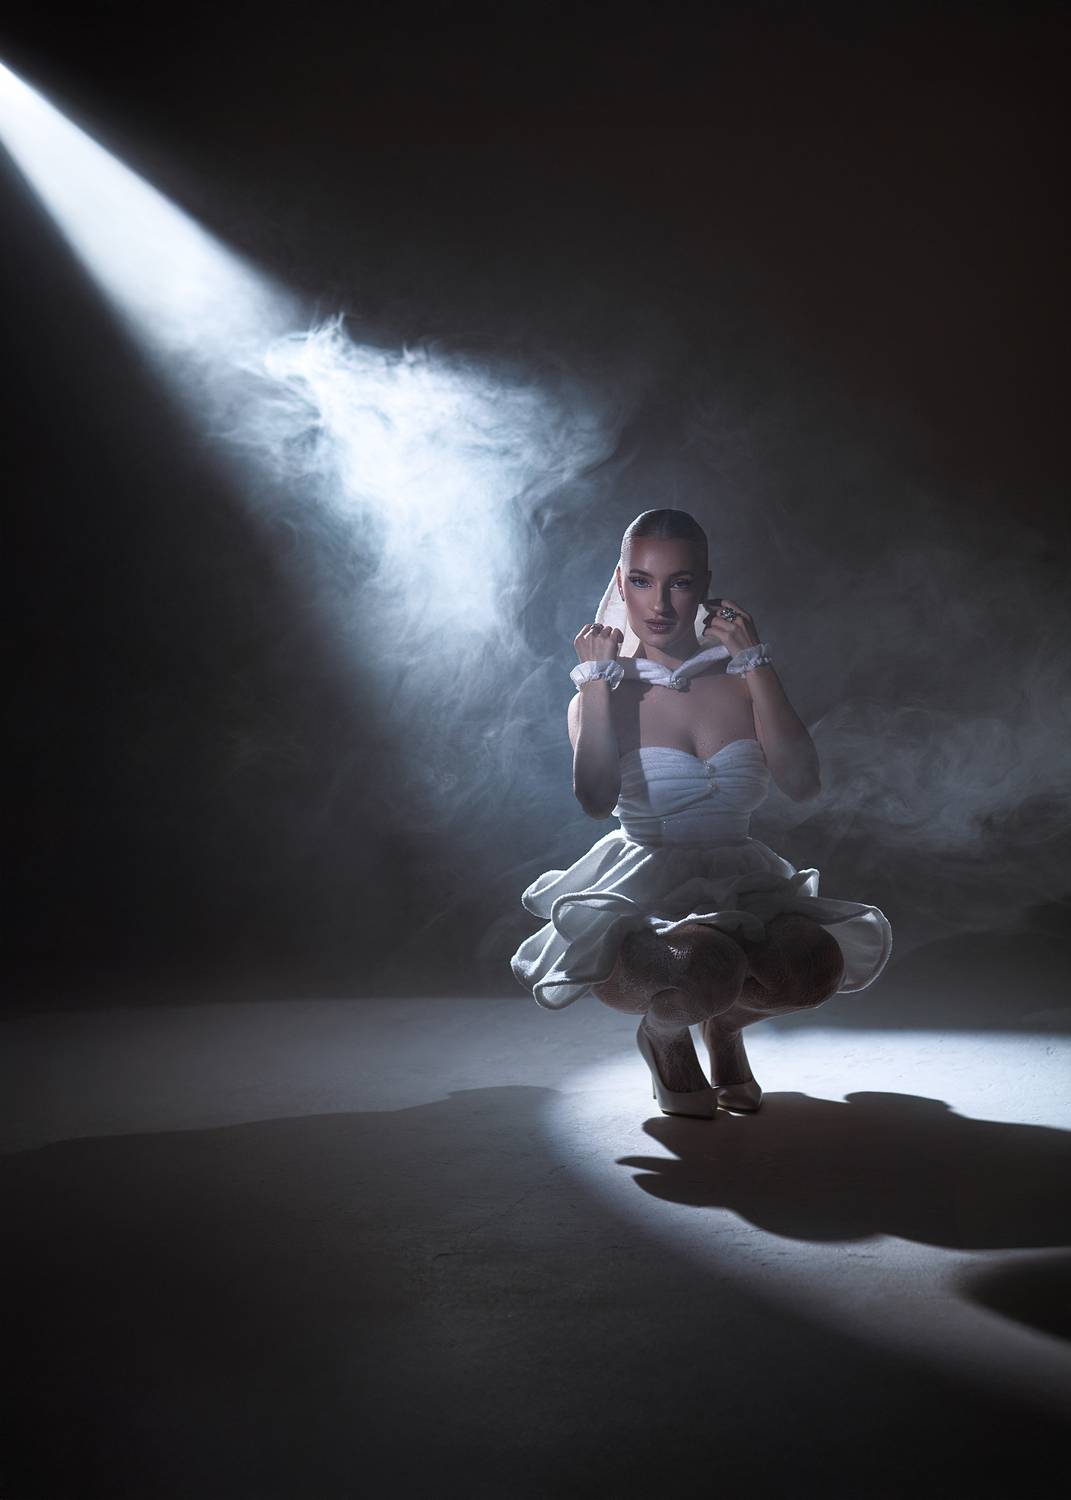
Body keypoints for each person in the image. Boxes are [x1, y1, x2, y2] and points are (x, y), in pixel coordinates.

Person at [510, 508, 893, 1118]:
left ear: (706, 585)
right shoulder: (601, 690)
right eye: (642, 581)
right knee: (702, 966)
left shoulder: (742, 677)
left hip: (742, 880)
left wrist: (756, 662)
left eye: (680, 582)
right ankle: (665, 1038)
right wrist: (594, 687)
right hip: (645, 896)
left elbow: (802, 784)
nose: (660, 603)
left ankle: (725, 1028)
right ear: (620, 583)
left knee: (812, 966)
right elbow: (595, 801)